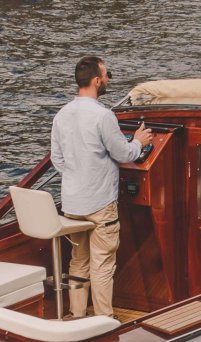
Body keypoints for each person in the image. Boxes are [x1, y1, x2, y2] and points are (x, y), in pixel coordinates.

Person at [50, 56, 153, 318]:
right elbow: (123, 153)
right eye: (107, 75)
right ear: (97, 81)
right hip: (100, 206)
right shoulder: (103, 116)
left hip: (73, 204)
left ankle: (77, 315)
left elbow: (57, 159)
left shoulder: (62, 115)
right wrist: (139, 141)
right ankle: (104, 319)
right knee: (102, 263)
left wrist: (78, 176)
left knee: (78, 260)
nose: (108, 79)